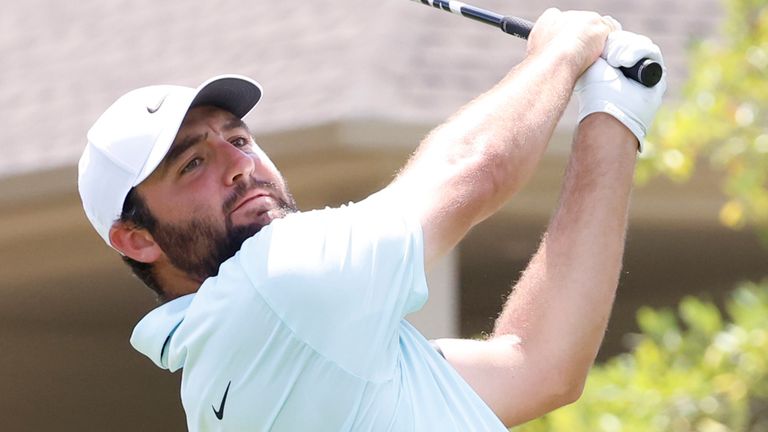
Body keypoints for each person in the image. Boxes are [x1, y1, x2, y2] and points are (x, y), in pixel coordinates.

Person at [78, 8, 665, 431]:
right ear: (136, 238)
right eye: (193, 163)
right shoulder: (272, 290)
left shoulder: (276, 352)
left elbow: (540, 366)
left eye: (239, 138)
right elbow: (474, 169)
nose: (239, 165)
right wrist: (562, 48)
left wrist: (614, 114)